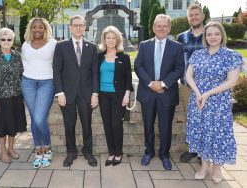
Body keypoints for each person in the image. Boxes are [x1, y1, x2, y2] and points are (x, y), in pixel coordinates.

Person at [186, 21, 243, 183]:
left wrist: (208, 93)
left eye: (216, 34)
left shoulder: (231, 55)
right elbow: (189, 76)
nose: (213, 37)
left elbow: (232, 81)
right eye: (209, 34)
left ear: (222, 35)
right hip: (198, 102)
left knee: (218, 135)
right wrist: (198, 93)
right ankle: (204, 167)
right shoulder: (197, 54)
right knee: (202, 133)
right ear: (205, 36)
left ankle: (217, 169)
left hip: (219, 104)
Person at [134, 14, 184, 170]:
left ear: (169, 28)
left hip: (166, 93)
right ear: (153, 28)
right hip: (148, 93)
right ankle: (148, 152)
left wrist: (163, 84)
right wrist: (151, 84)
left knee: (165, 126)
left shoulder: (177, 47)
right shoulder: (144, 45)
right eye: (158, 26)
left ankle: (164, 155)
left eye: (165, 26)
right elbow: (138, 66)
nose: (161, 29)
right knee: (148, 125)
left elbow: (179, 69)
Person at [53, 15, 99, 167]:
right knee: (69, 124)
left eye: (81, 25)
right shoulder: (61, 46)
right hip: (67, 94)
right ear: (70, 27)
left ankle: (88, 151)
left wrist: (95, 94)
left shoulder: (92, 47)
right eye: (75, 25)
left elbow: (94, 73)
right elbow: (57, 71)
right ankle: (71, 152)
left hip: (86, 94)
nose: (78, 28)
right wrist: (59, 93)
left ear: (85, 27)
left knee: (87, 124)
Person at [0, 28, 27, 163]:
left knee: (13, 124)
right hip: (0, 97)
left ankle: (11, 148)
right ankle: (3, 151)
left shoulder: (17, 55)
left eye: (9, 39)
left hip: (16, 96)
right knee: (3, 126)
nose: (6, 41)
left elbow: (21, 75)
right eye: (3, 39)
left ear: (12, 40)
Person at [21, 18, 57, 168]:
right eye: (34, 27)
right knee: (34, 119)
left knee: (38, 118)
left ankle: (47, 147)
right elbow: (24, 63)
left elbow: (60, 62)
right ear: (30, 28)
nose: (37, 30)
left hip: (47, 83)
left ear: (45, 28)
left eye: (40, 27)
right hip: (28, 82)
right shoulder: (25, 44)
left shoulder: (53, 44)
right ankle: (38, 150)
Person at [98, 26, 133, 166]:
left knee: (116, 124)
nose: (111, 40)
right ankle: (111, 153)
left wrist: (127, 95)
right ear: (104, 40)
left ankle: (118, 153)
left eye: (113, 38)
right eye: (108, 38)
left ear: (117, 40)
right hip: (103, 95)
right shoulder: (99, 56)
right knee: (107, 124)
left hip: (118, 96)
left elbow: (128, 78)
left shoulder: (124, 57)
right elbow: (94, 75)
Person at [177, 4, 205, 163]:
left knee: (206, 118)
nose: (194, 17)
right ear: (188, 18)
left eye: (196, 14)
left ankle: (204, 152)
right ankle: (193, 149)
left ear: (202, 16)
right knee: (191, 117)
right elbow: (178, 60)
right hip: (187, 85)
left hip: (207, 86)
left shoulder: (211, 34)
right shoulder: (182, 37)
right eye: (191, 15)